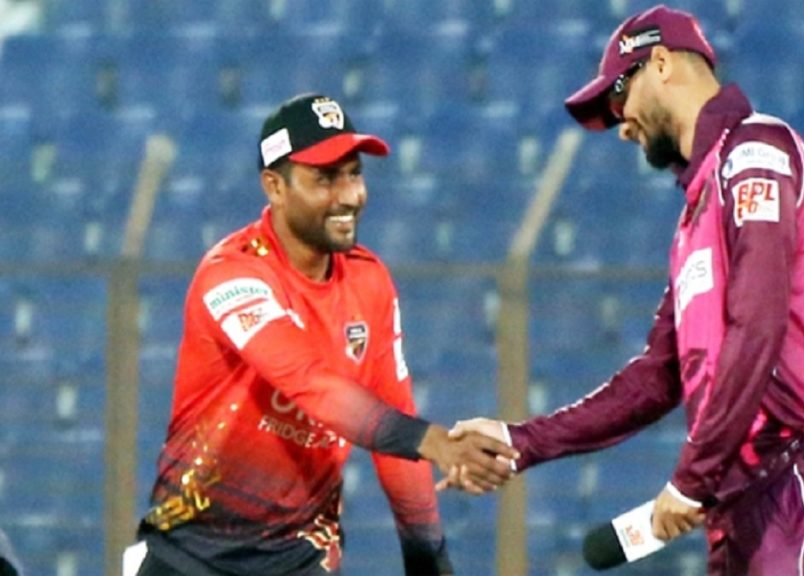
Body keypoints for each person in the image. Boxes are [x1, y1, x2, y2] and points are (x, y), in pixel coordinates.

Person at [446, 5, 804, 574]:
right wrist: (521, 441)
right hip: (739, 494)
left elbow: (758, 324)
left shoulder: (757, 152)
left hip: (801, 473)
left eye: (617, 98)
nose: (621, 125)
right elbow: (656, 375)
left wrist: (692, 477)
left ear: (660, 63)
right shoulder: (696, 215)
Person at [126, 93, 517, 576]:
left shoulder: (370, 282)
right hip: (188, 559)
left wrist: (429, 560)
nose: (349, 195)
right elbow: (310, 383)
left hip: (302, 559)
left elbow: (395, 435)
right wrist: (433, 441)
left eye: (354, 174)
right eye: (325, 178)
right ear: (274, 186)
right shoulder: (231, 274)